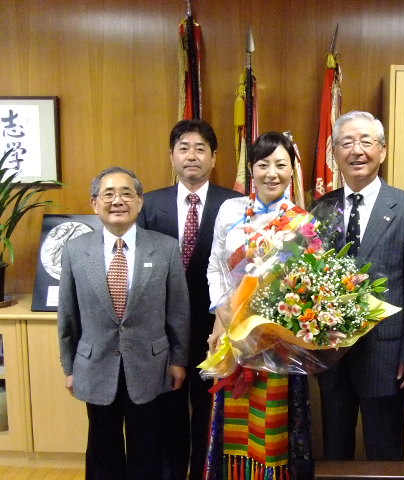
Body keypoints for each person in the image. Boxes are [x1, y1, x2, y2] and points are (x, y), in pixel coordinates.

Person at [313, 111, 404, 460]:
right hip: (332, 357)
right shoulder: (320, 209)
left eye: (366, 141)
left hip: (387, 357)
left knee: (385, 451)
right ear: (335, 153)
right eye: (347, 142)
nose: (357, 150)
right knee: (334, 450)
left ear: (382, 150)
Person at [58, 166, 190, 480]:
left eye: (126, 193)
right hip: (94, 365)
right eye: (109, 194)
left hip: (151, 365)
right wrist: (69, 367)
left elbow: (179, 311)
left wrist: (179, 360)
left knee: (148, 448)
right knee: (103, 448)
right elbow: (68, 315)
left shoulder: (165, 248)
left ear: (139, 201)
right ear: (94, 204)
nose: (118, 200)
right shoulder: (76, 251)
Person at [205, 132, 313, 480]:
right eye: (263, 164)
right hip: (233, 335)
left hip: (278, 341)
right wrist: (223, 316)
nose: (272, 173)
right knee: (233, 426)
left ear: (291, 171)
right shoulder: (230, 210)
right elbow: (215, 267)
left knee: (274, 426)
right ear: (251, 169)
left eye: (281, 165)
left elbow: (307, 283)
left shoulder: (302, 220)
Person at [137, 119, 241, 480]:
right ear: (171, 156)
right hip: (162, 333)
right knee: (167, 415)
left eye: (200, 148)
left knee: (212, 414)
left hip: (217, 329)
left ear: (214, 157)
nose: (191, 156)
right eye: (184, 148)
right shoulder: (149, 204)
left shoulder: (236, 204)